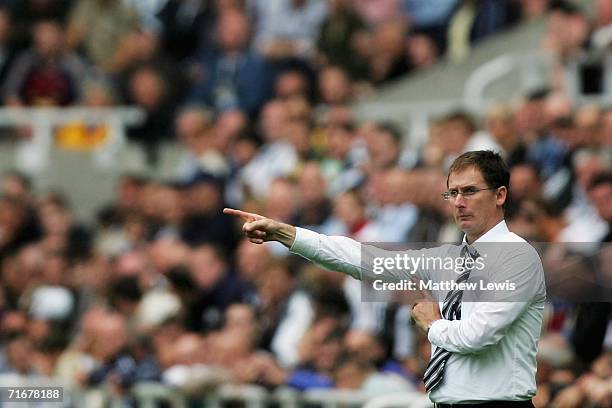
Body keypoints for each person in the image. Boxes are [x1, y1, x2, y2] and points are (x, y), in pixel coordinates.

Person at [225, 150, 545, 407]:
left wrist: (432, 325)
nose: (459, 202)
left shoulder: (518, 257)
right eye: (453, 193)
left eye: (470, 191)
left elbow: (478, 336)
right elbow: (361, 259)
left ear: (500, 195)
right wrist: (286, 233)